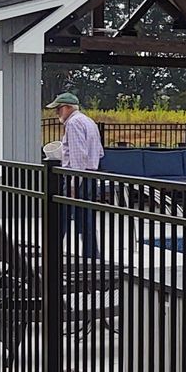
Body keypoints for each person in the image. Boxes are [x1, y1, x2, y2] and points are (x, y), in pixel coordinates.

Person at [47, 92, 104, 258]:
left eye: (58, 109)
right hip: (91, 175)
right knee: (86, 218)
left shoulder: (73, 123)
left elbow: (78, 156)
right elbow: (99, 152)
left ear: (67, 107)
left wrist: (73, 184)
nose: (57, 113)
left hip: (78, 177)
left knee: (62, 216)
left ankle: (53, 252)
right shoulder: (89, 121)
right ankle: (92, 254)